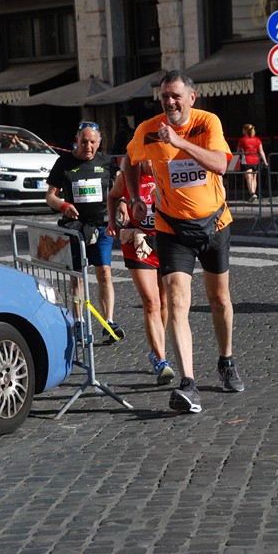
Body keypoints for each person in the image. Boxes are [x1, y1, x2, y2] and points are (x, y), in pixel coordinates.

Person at [124, 69, 244, 414]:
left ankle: (226, 360)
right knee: (177, 302)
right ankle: (188, 384)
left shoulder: (208, 123)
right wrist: (135, 197)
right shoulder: (147, 130)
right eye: (165, 97)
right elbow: (129, 160)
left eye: (176, 96)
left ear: (192, 97)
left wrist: (179, 143)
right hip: (172, 228)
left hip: (215, 224)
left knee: (219, 299)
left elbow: (221, 164)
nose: (171, 102)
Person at [46, 120, 125, 344]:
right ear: (76, 141)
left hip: (101, 226)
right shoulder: (64, 162)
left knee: (105, 273)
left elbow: (118, 191)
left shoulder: (107, 163)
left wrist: (122, 205)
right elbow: (50, 196)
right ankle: (79, 321)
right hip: (75, 228)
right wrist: (62, 206)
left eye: (92, 142)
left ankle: (108, 322)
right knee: (78, 279)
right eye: (83, 141)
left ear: (99, 143)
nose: (88, 146)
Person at [106, 160, 175, 385]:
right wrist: (113, 221)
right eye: (145, 158)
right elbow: (113, 196)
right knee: (151, 302)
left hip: (165, 242)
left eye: (152, 157)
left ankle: (157, 350)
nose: (150, 162)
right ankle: (162, 360)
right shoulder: (127, 177)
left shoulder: (166, 173)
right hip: (137, 244)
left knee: (164, 302)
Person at [236, 123, 268, 203]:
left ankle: (252, 194)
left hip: (246, 160)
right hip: (256, 160)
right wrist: (265, 161)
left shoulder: (242, 140)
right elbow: (261, 151)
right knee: (254, 177)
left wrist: (237, 160)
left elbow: (238, 152)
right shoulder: (257, 140)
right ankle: (254, 193)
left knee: (248, 177)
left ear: (245, 130)